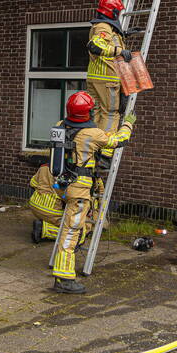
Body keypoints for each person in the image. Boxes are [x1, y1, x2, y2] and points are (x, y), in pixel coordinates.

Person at [48, 90, 135, 294]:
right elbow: (118, 140)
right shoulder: (92, 134)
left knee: (72, 227)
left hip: (63, 184)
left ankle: (67, 263)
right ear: (87, 113)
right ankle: (64, 279)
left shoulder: (60, 126)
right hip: (79, 189)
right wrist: (128, 123)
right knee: (71, 230)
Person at [87, 0, 132, 135]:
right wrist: (119, 51)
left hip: (96, 77)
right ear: (112, 11)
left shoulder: (101, 26)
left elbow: (107, 41)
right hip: (108, 79)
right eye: (117, 11)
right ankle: (105, 149)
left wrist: (124, 34)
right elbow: (96, 46)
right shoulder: (103, 27)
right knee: (111, 114)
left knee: (97, 113)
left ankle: (94, 143)